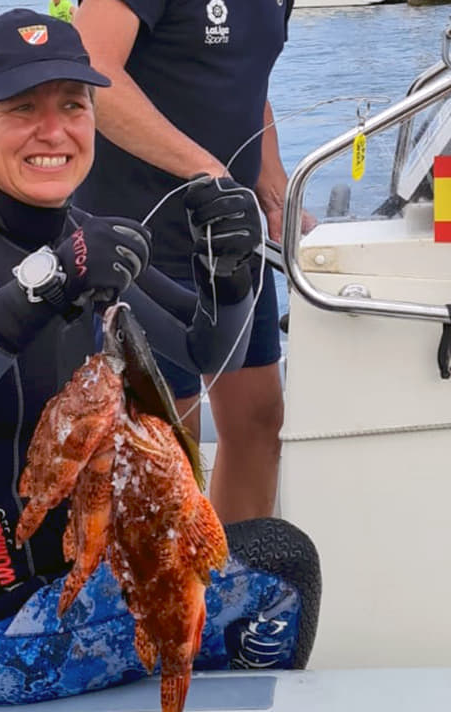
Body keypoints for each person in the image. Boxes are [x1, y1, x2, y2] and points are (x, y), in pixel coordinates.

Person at [0, 9, 320, 706]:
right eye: (21, 109)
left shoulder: (86, 239)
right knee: (282, 570)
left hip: (77, 589)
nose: (53, 130)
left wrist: (229, 279)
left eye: (73, 106)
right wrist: (39, 288)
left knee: (258, 553)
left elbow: (199, 354)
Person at [74, 0, 316, 524]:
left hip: (230, 240)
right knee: (164, 452)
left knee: (258, 422)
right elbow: (91, 69)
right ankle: (169, 600)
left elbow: (247, 82)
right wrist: (205, 169)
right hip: (140, 245)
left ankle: (232, 585)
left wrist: (271, 182)